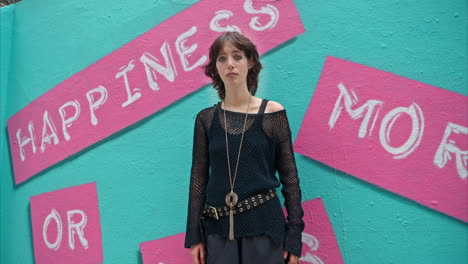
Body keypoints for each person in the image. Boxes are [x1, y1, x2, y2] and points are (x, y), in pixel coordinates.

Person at [185, 31, 304, 264]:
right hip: (218, 232)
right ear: (215, 68)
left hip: (265, 228)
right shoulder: (206, 120)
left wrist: (294, 236)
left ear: (250, 62)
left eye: (237, 56)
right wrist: (194, 236)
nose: (230, 64)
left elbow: (290, 178)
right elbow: (198, 179)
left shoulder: (272, 114)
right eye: (222, 58)